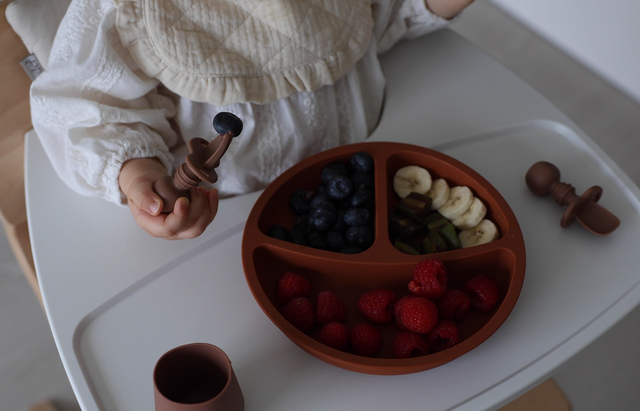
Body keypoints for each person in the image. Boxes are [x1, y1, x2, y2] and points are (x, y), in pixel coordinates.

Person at [30, 0, 474, 240]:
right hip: (231, 221)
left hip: (369, 186)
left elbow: (383, 17)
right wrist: (137, 175)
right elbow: (88, 107)